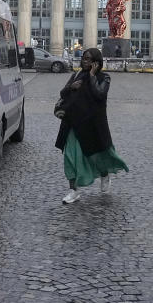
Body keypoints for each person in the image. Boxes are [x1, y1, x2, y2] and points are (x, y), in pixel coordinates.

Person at [56, 47, 128, 204]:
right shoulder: (76, 75)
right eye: (83, 58)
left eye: (88, 59)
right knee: (70, 157)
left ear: (96, 62)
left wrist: (92, 76)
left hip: (92, 125)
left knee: (97, 155)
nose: (84, 61)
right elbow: (63, 94)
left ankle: (104, 173)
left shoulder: (104, 78)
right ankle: (73, 191)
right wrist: (70, 87)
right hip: (72, 123)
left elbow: (100, 94)